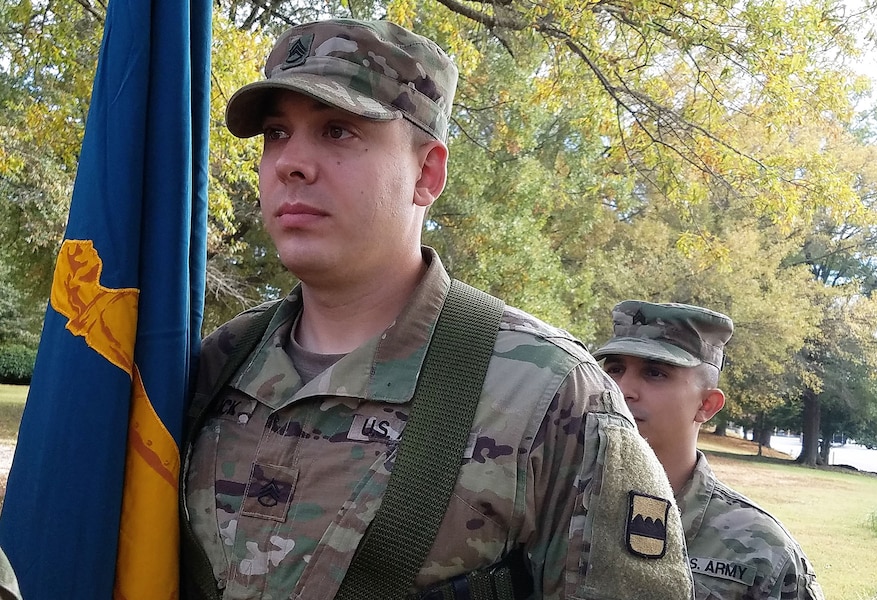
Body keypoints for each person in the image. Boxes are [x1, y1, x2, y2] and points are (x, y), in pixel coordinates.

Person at [180, 18, 694, 600]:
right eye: (277, 133)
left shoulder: (549, 395)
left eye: (338, 131)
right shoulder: (216, 365)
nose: (290, 163)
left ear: (427, 173)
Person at [592, 300, 826, 600]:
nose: (623, 389)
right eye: (615, 369)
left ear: (707, 405)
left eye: (655, 373)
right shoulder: (559, 508)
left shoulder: (763, 551)